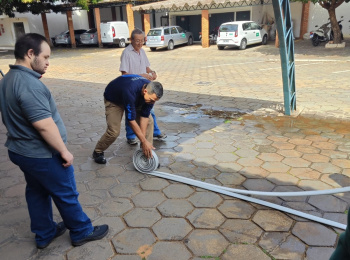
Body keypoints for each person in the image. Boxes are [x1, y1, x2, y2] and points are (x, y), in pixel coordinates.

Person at [0, 33, 108, 248]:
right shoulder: (29, 84)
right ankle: (81, 231)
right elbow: (43, 124)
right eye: (46, 57)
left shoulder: (8, 79)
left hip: (21, 151)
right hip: (41, 154)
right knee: (65, 192)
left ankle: (45, 233)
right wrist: (63, 151)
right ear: (30, 54)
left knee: (37, 191)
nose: (49, 63)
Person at [92, 75, 163, 164]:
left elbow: (144, 117)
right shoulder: (130, 91)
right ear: (145, 91)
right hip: (115, 100)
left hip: (135, 99)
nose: (153, 103)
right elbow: (131, 120)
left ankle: (146, 153)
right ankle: (98, 151)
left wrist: (143, 141)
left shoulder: (151, 93)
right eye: (152, 100)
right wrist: (143, 140)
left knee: (149, 121)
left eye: (155, 101)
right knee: (114, 131)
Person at [119, 28, 166, 145]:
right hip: (131, 88)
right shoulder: (126, 53)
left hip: (145, 87)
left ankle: (155, 132)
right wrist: (141, 75)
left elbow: (147, 67)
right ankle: (130, 136)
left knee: (151, 110)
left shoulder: (142, 52)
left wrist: (152, 72)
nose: (140, 43)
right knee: (131, 112)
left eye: (142, 40)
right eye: (137, 41)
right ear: (131, 40)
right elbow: (124, 74)